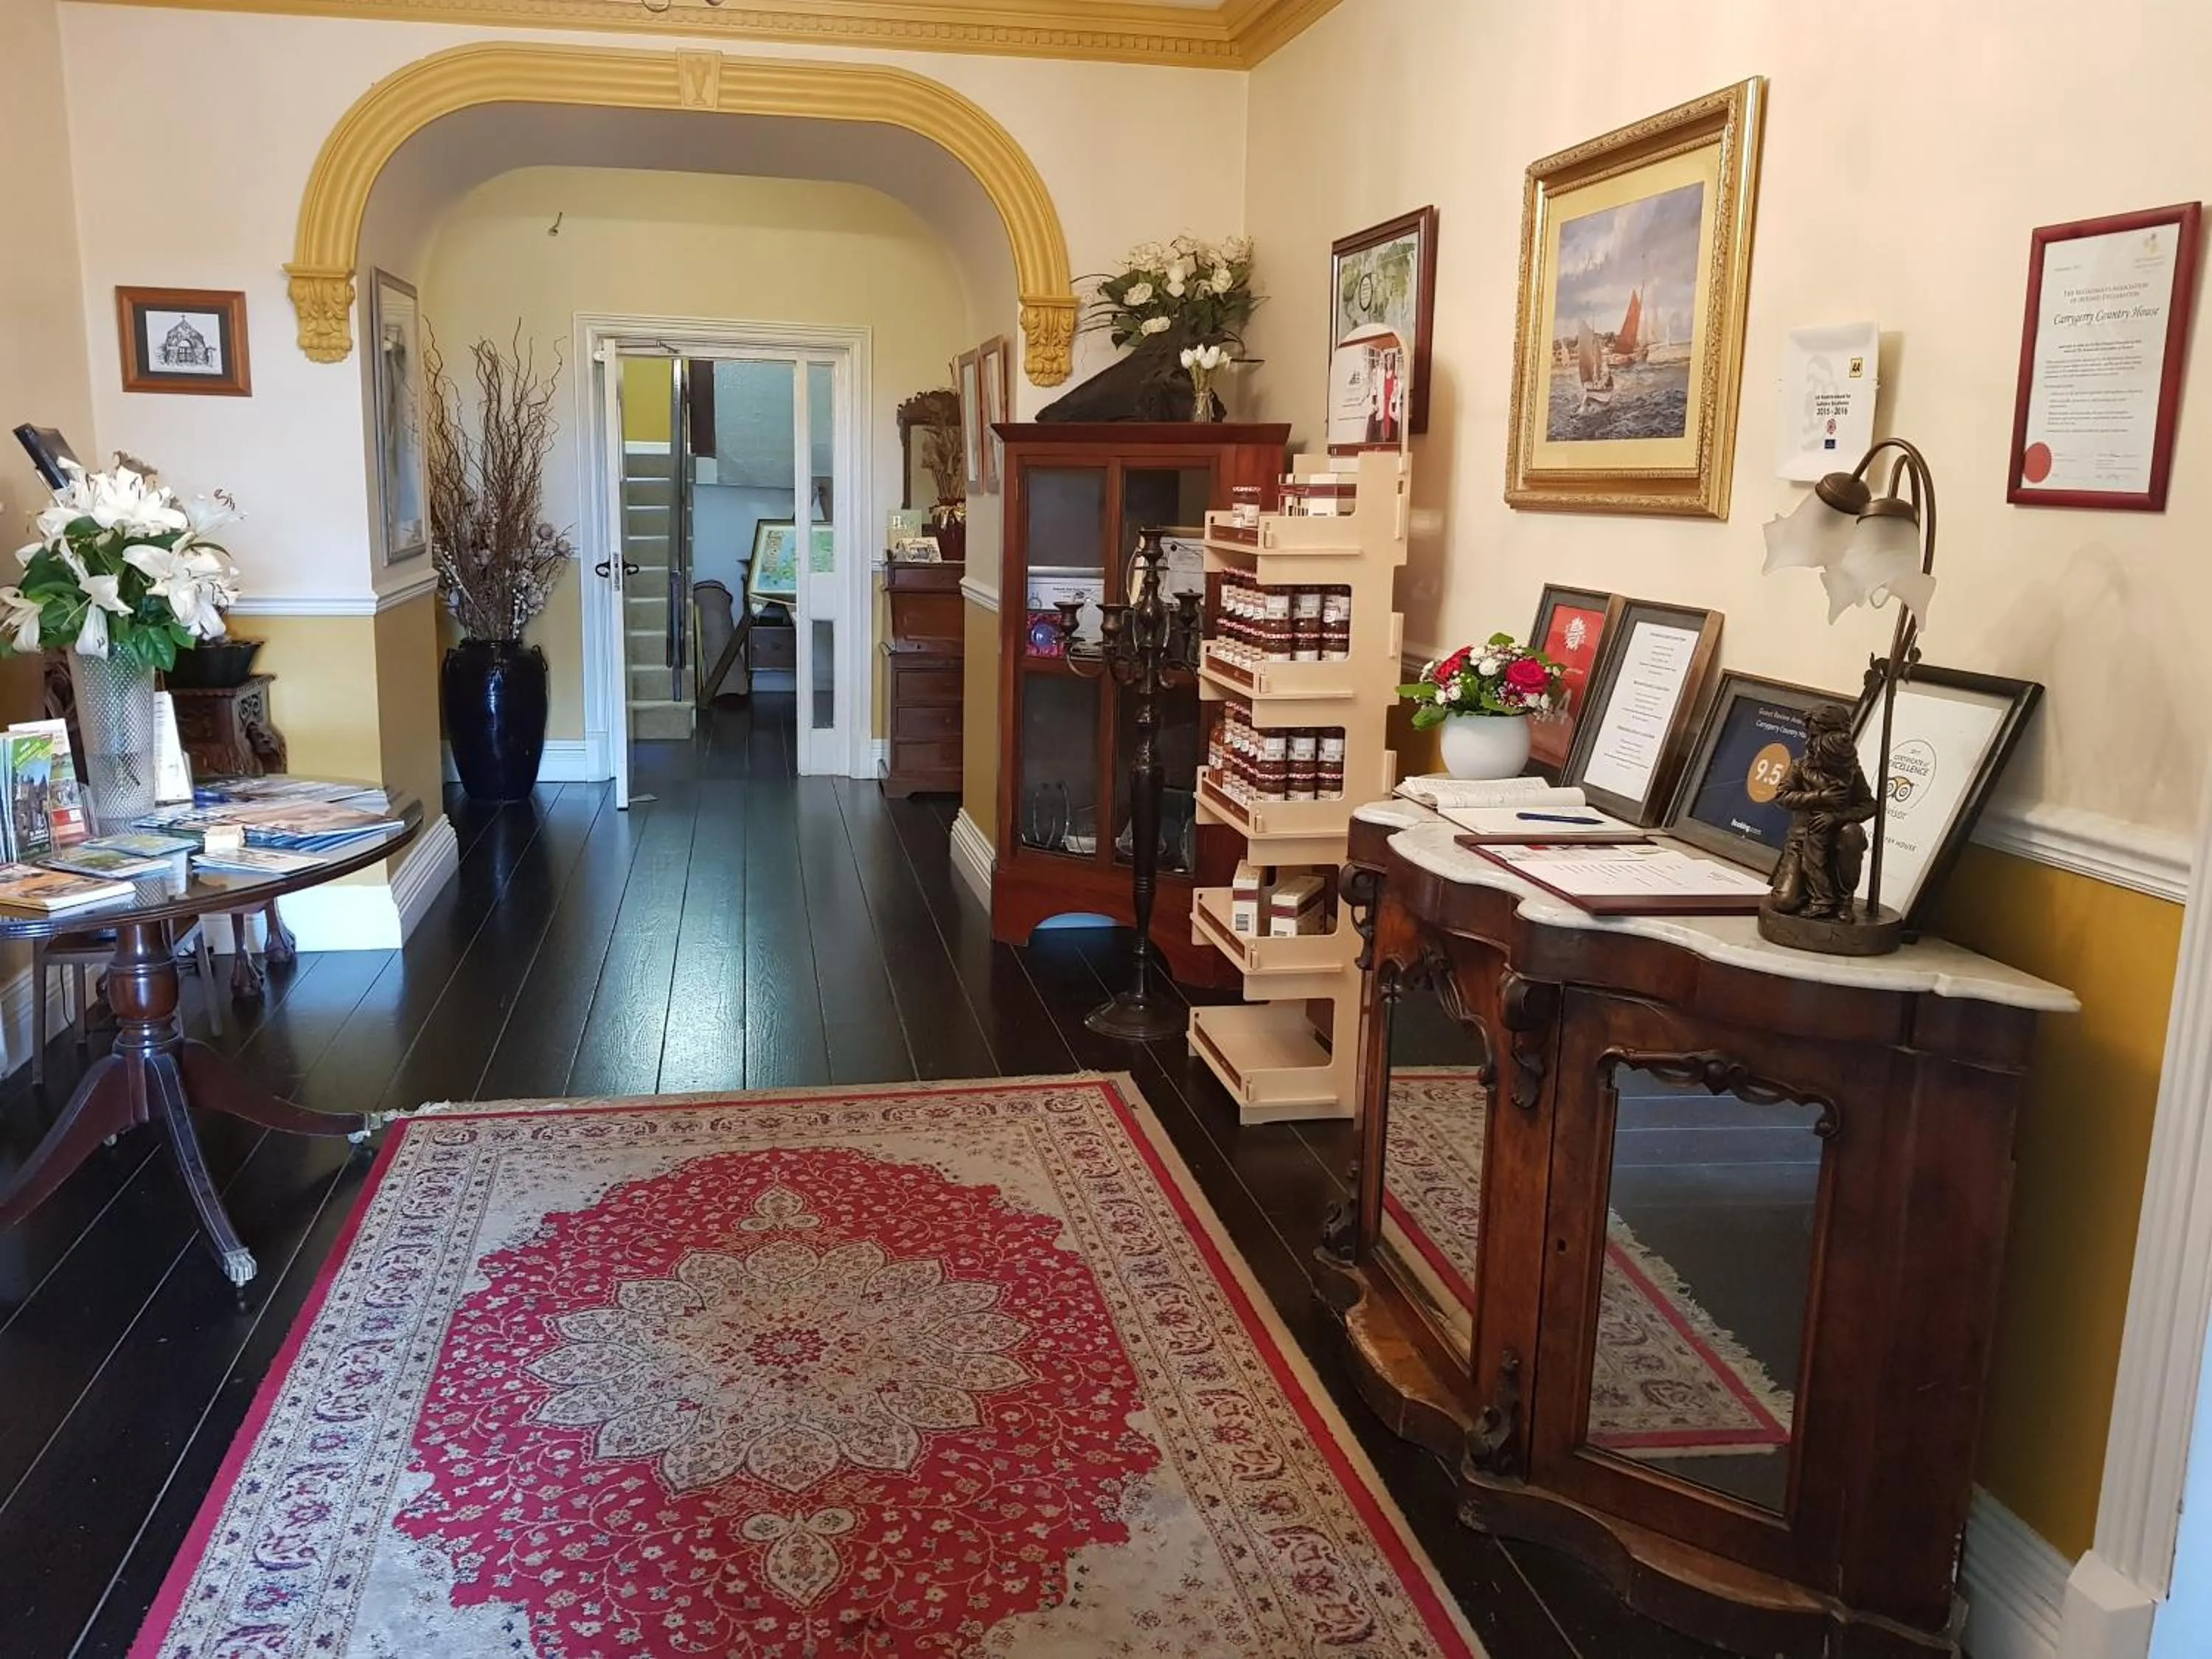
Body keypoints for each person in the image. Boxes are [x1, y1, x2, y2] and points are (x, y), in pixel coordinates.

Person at [1766, 704, 1876, 922]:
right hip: (1802, 841)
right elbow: (1781, 797)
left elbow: (1870, 805)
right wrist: (1819, 797)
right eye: (1809, 736)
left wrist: (1836, 818)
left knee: (1852, 834)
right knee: (1784, 902)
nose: (1808, 742)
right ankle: (1812, 895)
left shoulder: (1850, 771)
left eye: (1815, 736)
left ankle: (1844, 900)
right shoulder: (1800, 767)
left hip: (1837, 841)